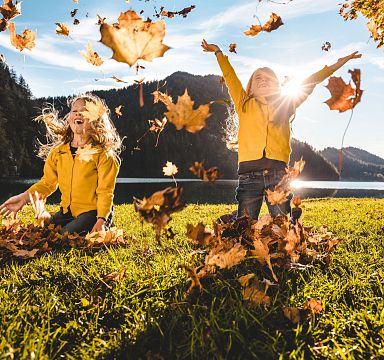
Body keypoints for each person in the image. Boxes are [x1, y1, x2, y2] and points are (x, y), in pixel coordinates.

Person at [201, 39, 361, 219]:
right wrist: (218, 53)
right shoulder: (243, 103)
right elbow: (230, 77)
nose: (263, 80)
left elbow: (311, 81)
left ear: (277, 86)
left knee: (281, 226)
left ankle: (290, 224)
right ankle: (236, 225)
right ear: (250, 88)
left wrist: (338, 64)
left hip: (278, 176)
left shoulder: (286, 104)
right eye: (258, 78)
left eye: (268, 79)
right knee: (244, 224)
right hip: (248, 176)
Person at [0, 93, 122, 234]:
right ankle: (47, 217)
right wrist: (23, 197)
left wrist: (102, 219)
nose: (78, 114)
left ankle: (104, 224)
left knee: (63, 235)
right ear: (69, 117)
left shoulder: (103, 155)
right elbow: (47, 184)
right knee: (45, 231)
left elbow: (105, 191)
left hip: (93, 213)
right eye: (74, 111)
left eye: (85, 111)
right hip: (67, 212)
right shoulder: (59, 152)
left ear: (96, 120)